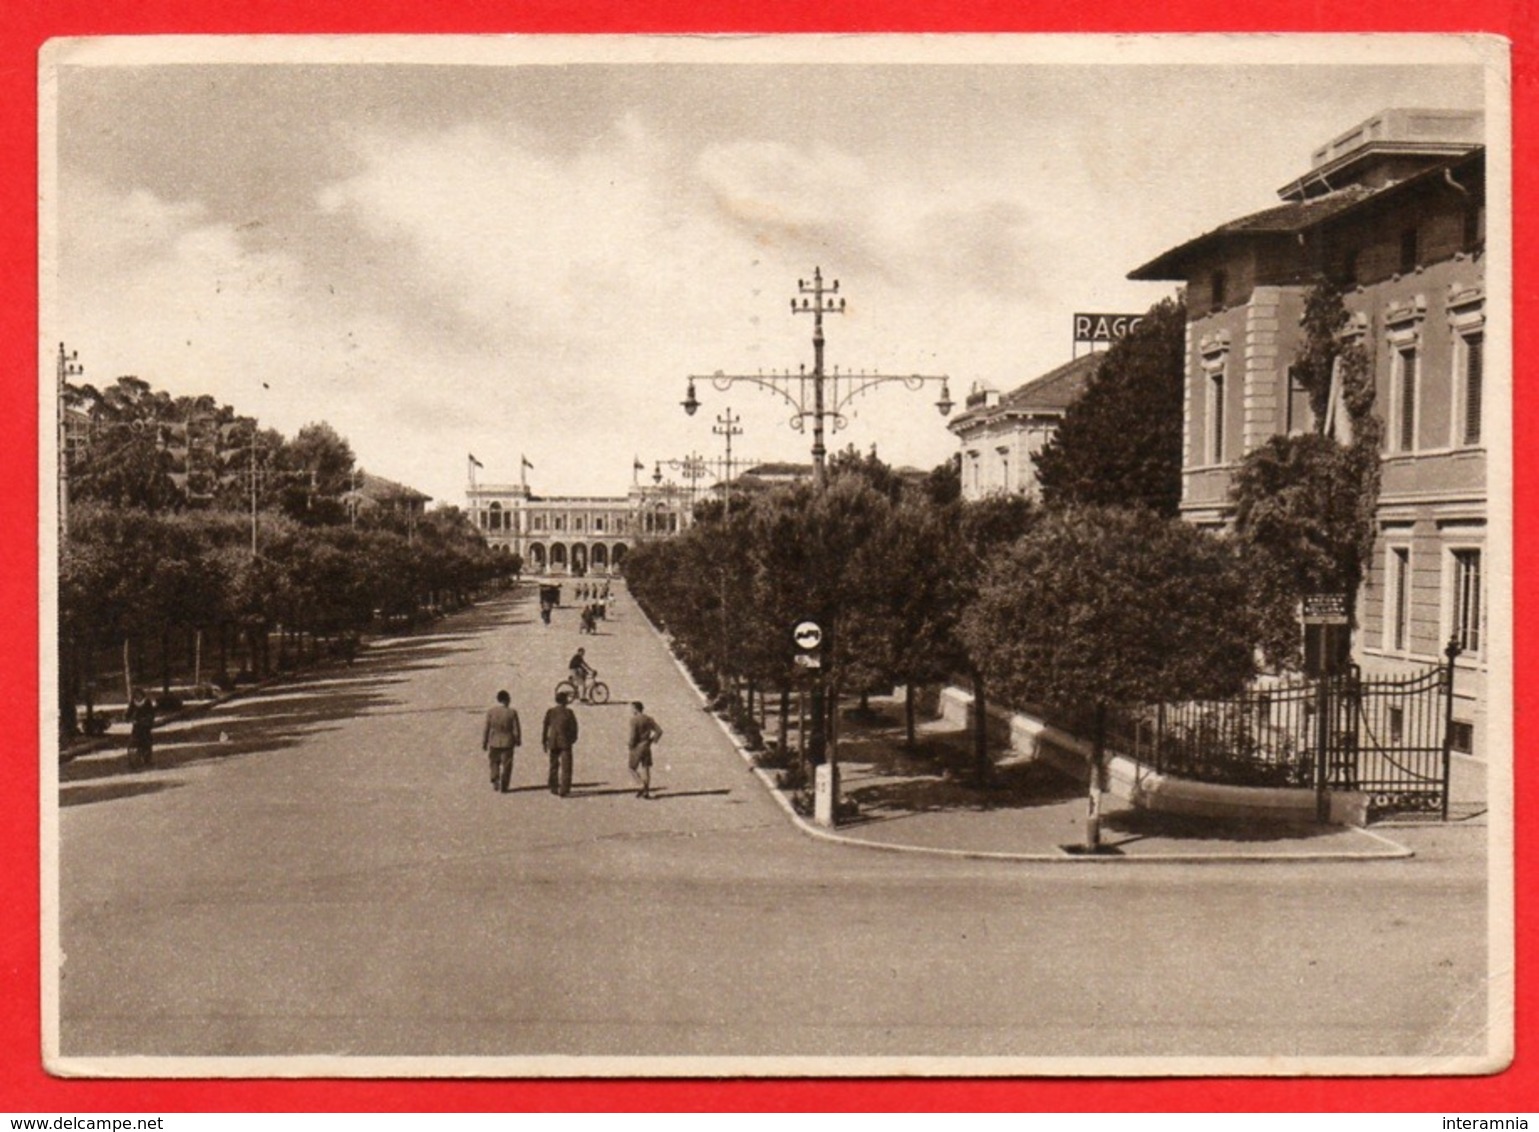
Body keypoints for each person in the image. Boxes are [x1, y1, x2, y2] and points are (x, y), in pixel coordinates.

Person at [482, 689, 522, 793]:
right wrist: (518, 739)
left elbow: (487, 728)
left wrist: (485, 741)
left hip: (494, 741)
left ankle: (495, 777)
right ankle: (505, 784)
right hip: (508, 741)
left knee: (494, 762)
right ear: (507, 700)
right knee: (507, 764)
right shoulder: (512, 712)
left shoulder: (491, 712)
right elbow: (516, 728)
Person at [542, 690, 580, 796]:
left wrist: (544, 741)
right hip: (565, 742)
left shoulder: (550, 712)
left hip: (553, 741)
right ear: (565, 701)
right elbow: (574, 728)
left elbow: (545, 727)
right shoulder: (569, 712)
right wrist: (572, 740)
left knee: (553, 765)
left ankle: (553, 787)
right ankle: (564, 789)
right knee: (566, 766)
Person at [627, 701, 663, 799]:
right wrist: (652, 740)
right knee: (646, 768)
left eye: (631, 708)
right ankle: (646, 792)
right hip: (647, 745)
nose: (630, 710)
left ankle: (641, 785)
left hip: (638, 746)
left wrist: (630, 745)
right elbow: (659, 731)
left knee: (631, 768)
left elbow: (633, 736)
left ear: (635, 709)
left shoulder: (634, 720)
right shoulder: (648, 719)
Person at [126, 687, 155, 769]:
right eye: (136, 695)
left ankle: (147, 758)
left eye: (139, 695)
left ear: (142, 695)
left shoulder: (147, 702)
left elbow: (151, 713)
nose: (137, 697)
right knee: (133, 740)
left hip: (145, 725)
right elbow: (129, 712)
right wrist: (126, 717)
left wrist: (148, 720)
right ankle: (133, 758)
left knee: (147, 740)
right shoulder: (133, 703)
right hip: (137, 725)